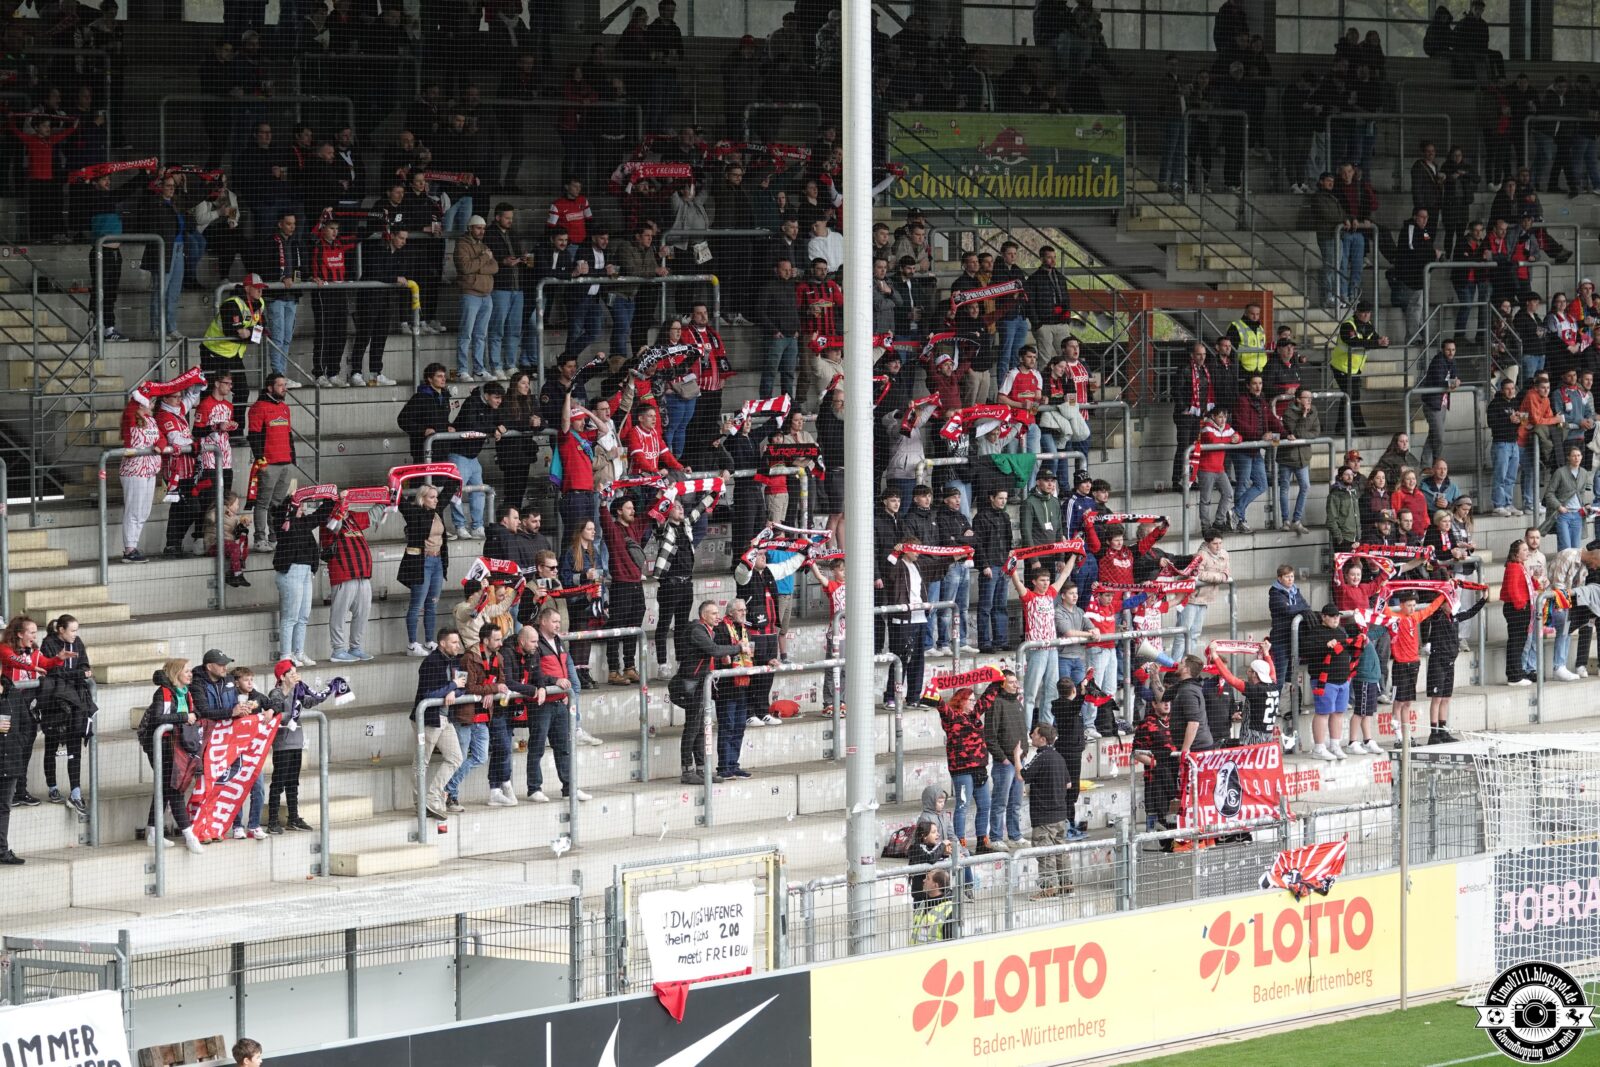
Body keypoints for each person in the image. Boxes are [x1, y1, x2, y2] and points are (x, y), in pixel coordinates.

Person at [136, 657, 205, 855]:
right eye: (187, 671)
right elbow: (158, 718)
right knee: (174, 790)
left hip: (178, 747)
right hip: (162, 748)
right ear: (176, 674)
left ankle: (152, 832)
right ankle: (189, 835)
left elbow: (195, 712)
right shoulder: (163, 693)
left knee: (165, 790)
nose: (190, 674)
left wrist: (194, 716)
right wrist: (184, 718)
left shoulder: (185, 693)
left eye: (191, 670)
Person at [678, 601, 749, 785]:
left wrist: (724, 656)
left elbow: (714, 653)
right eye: (712, 613)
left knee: (701, 730)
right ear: (703, 616)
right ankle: (687, 771)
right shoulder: (697, 630)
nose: (717, 616)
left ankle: (701, 770)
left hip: (702, 684)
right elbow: (714, 650)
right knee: (692, 729)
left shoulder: (709, 631)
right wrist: (738, 648)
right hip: (691, 686)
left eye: (718, 613)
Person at [264, 658, 334, 833]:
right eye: (291, 673)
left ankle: (293, 818)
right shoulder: (276, 692)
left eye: (296, 672)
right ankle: (273, 820)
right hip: (283, 744)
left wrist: (328, 690)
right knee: (278, 782)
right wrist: (289, 691)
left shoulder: (298, 690)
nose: (296, 676)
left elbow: (310, 702)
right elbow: (277, 708)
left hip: (296, 742)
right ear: (282, 676)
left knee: (293, 782)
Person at [38, 615, 93, 815]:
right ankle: (52, 787)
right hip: (54, 703)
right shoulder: (48, 644)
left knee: (74, 747)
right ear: (61, 630)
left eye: (76, 630)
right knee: (51, 745)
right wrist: (79, 674)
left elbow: (85, 665)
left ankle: (76, 793)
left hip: (75, 701)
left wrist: (83, 671)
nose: (75, 634)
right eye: (72, 630)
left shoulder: (77, 643)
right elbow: (53, 672)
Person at [1013, 559, 1073, 726]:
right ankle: (1025, 731)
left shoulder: (1051, 594)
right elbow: (1017, 582)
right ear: (1034, 582)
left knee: (1052, 692)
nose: (1046, 583)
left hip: (1052, 649)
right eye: (1042, 580)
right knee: (1030, 693)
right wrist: (1012, 567)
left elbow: (1065, 573)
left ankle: (1045, 729)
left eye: (1047, 580)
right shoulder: (1029, 597)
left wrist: (1074, 554)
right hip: (1036, 649)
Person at [200, 274, 265, 407]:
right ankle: (204, 426)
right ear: (247, 288)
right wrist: (249, 333)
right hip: (214, 351)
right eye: (257, 288)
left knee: (242, 392)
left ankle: (237, 428)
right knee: (211, 391)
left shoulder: (260, 303)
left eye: (262, 288)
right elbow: (233, 332)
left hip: (234, 354)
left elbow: (262, 329)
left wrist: (248, 333)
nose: (260, 291)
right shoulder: (232, 304)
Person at [246, 374, 296, 551]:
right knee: (263, 503)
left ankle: (275, 538)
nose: (284, 388)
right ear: (270, 388)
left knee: (278, 503)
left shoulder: (284, 407)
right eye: (280, 385)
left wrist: (293, 460)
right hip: (269, 464)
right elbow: (253, 436)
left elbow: (289, 435)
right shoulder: (258, 408)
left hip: (285, 463)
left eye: (285, 385)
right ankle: (260, 539)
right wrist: (261, 461)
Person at [323, 501, 375, 662]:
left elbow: (372, 516)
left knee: (363, 613)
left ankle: (355, 647)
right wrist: (340, 510)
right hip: (343, 575)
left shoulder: (352, 517)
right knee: (339, 615)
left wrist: (385, 497)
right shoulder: (329, 520)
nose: (347, 507)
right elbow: (334, 526)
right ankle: (338, 650)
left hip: (363, 575)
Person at [982, 670, 1027, 851]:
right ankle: (996, 837)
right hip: (1005, 764)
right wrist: (1003, 759)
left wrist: (1023, 754)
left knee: (1016, 802)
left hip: (1020, 761)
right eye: (1011, 682)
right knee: (1000, 802)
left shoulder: (1017, 703)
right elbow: (990, 736)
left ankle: (1015, 835)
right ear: (1002, 684)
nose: (1016, 685)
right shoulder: (996, 704)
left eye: (1016, 682)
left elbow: (1022, 730)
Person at [1329, 301, 1388, 435]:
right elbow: (1353, 342)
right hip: (1341, 366)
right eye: (1363, 312)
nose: (1366, 315)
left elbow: (1375, 340)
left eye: (1368, 313)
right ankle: (1360, 429)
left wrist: (1383, 342)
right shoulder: (1347, 325)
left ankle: (1340, 428)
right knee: (1352, 396)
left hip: (1355, 369)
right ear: (1357, 312)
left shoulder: (1369, 326)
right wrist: (1376, 342)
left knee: (1348, 396)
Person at [454, 214, 499, 381]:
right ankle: (462, 370)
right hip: (470, 294)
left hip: (486, 295)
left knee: (481, 335)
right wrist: (484, 259)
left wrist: (478, 266)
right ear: (470, 228)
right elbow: (465, 268)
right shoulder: (461, 245)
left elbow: (495, 267)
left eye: (483, 228)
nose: (481, 231)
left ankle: (479, 369)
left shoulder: (484, 246)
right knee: (466, 334)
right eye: (478, 228)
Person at [973, 488, 1014, 653]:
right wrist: (984, 565)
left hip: (1003, 566)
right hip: (990, 566)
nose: (1003, 501)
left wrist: (1009, 561)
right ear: (991, 498)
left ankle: (1001, 640)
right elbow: (978, 544)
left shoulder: (1005, 516)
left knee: (1001, 605)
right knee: (985, 606)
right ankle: (984, 642)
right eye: (1000, 498)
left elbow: (1009, 540)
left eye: (1005, 498)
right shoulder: (981, 517)